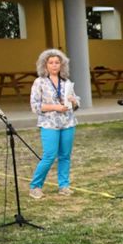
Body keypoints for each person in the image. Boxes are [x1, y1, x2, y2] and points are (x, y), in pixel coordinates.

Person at [28, 48, 79, 199]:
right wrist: (55, 107)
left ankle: (64, 185)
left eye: (57, 62)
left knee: (65, 156)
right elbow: (35, 106)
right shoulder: (39, 82)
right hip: (49, 124)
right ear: (45, 65)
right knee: (49, 156)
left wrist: (74, 101)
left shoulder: (66, 82)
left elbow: (76, 104)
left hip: (68, 122)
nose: (54, 65)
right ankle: (35, 186)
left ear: (62, 65)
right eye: (51, 62)